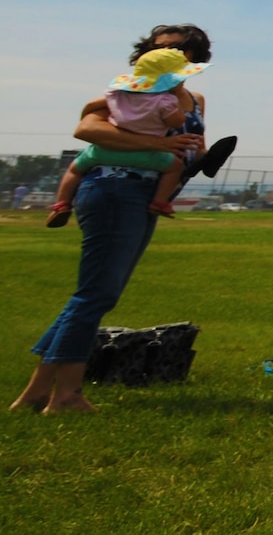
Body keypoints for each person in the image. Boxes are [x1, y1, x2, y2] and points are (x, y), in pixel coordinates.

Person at [13, 23, 214, 415]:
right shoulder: (133, 88)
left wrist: (205, 159)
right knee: (94, 295)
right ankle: (67, 395)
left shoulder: (193, 98)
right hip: (112, 189)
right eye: (161, 48)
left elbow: (193, 146)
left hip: (145, 195)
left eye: (180, 48)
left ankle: (37, 391)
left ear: (195, 56)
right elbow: (87, 128)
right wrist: (158, 145)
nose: (171, 54)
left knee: (99, 294)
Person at [46, 49, 210, 226]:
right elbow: (176, 122)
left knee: (75, 169)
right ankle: (160, 202)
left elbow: (90, 108)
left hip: (101, 152)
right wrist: (177, 111)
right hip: (145, 156)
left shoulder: (118, 94)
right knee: (174, 168)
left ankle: (62, 204)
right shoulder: (165, 101)